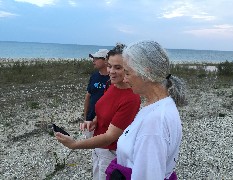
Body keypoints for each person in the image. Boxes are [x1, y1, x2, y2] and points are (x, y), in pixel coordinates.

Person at [55, 44, 141, 180]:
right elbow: (102, 109)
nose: (111, 71)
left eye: (118, 67)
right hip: (98, 146)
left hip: (111, 152)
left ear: (129, 69)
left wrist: (74, 144)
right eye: (109, 66)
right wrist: (94, 121)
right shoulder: (111, 84)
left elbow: (110, 136)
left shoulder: (131, 98)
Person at [106, 40, 187, 180]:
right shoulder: (160, 105)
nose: (125, 79)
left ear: (146, 72)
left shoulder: (155, 121)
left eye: (128, 73)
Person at [83, 49, 110, 138]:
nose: (93, 60)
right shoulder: (94, 76)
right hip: (91, 118)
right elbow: (88, 96)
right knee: (92, 145)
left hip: (106, 121)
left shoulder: (112, 78)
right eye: (93, 58)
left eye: (97, 58)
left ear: (106, 60)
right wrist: (86, 117)